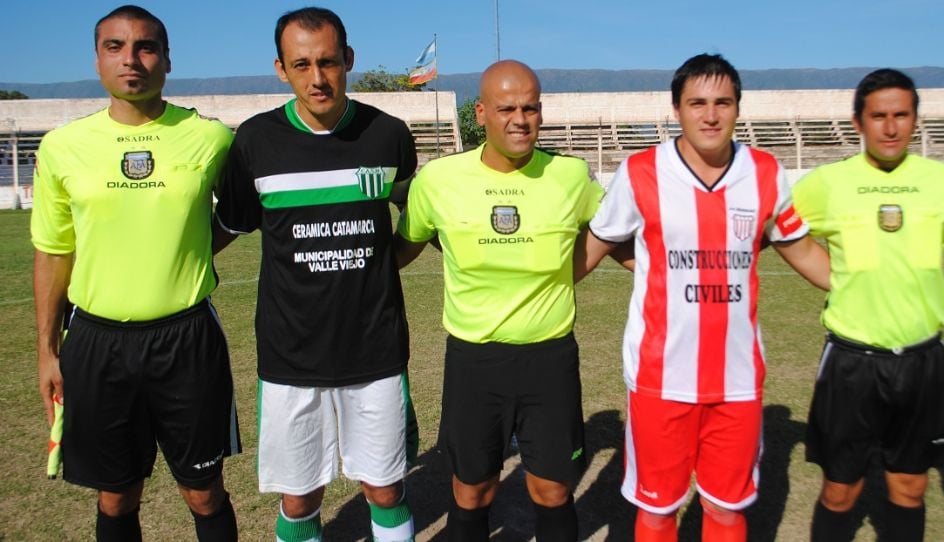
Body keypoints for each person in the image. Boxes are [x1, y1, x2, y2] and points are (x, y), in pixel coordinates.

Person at [576, 53, 830, 542]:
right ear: (677, 109)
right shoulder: (641, 171)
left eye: (722, 103)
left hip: (737, 380)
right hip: (659, 378)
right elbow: (595, 245)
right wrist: (538, 285)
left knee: (727, 510)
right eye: (697, 103)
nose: (710, 115)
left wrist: (865, 284)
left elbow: (802, 251)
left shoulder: (765, 172)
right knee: (657, 512)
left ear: (738, 108)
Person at [31, 5, 239, 541]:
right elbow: (54, 252)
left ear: (167, 59)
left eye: (146, 47)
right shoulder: (63, 147)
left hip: (187, 339)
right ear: (97, 60)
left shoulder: (210, 138)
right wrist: (47, 351)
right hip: (96, 341)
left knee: (203, 490)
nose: (131, 59)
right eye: (115, 47)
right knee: (116, 495)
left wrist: (189, 250)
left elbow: (238, 215)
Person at [213, 7, 418, 542]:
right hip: (291, 355)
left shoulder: (388, 135)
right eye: (301, 65)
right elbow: (229, 225)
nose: (317, 77)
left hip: (374, 349)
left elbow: (417, 219)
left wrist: (383, 261)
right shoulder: (255, 141)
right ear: (281, 69)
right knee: (299, 497)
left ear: (348, 59)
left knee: (385, 489)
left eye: (327, 62)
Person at [793, 68, 944, 541]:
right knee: (840, 491)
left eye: (901, 115)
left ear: (916, 119)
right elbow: (778, 229)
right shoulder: (827, 183)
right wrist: (827, 274)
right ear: (858, 122)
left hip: (923, 361)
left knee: (911, 487)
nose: (891, 127)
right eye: (879, 116)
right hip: (852, 363)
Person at [393, 60, 603, 541]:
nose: (520, 120)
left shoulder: (571, 175)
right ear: (481, 113)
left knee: (553, 490)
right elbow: (402, 248)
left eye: (530, 108)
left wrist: (569, 271)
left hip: (549, 359)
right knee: (472, 491)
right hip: (474, 361)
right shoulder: (440, 179)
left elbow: (612, 231)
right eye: (507, 108)